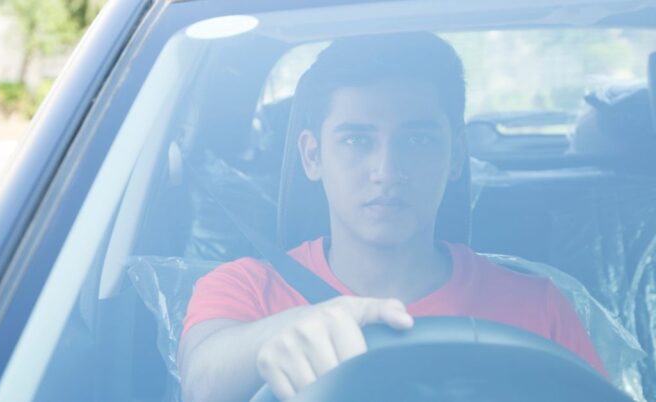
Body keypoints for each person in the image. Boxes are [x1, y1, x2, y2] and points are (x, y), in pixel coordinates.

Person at [177, 32, 606, 402]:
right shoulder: (247, 289)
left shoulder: (536, 305)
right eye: (357, 139)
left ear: (455, 155)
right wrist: (276, 338)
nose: (386, 171)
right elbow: (200, 383)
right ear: (312, 155)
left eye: (417, 139)